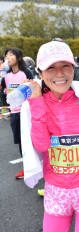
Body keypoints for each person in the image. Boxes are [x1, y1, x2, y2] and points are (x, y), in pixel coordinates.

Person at [24, 40, 79, 232]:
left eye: (65, 66)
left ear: (73, 67)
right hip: (56, 190)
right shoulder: (35, 102)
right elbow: (42, 145)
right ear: (39, 73)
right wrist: (36, 103)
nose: (60, 74)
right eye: (51, 68)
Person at [0, 47, 33, 178]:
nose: (7, 58)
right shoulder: (6, 76)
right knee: (20, 142)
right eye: (6, 55)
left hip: (26, 111)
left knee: (31, 140)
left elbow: (34, 89)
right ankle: (26, 167)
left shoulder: (26, 72)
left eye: (10, 55)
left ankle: (39, 166)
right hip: (14, 112)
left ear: (19, 58)